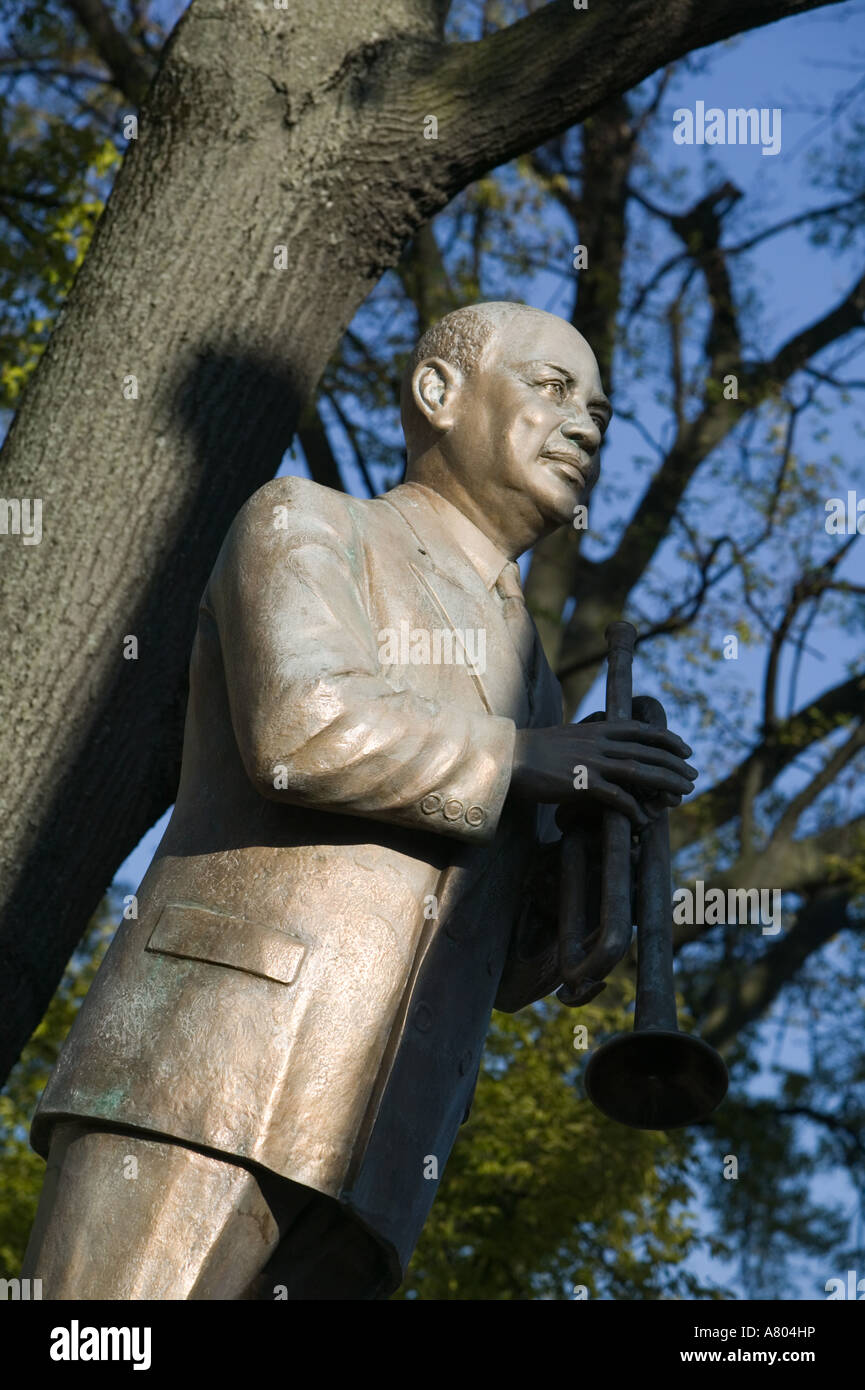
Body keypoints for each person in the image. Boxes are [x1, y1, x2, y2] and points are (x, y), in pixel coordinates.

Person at [24, 302, 695, 1299]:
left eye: (600, 408)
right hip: (203, 1074)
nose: (588, 423)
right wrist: (525, 758)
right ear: (437, 393)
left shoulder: (533, 677)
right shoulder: (307, 519)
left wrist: (596, 875)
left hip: (384, 1149)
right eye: (554, 388)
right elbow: (302, 731)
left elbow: (504, 968)